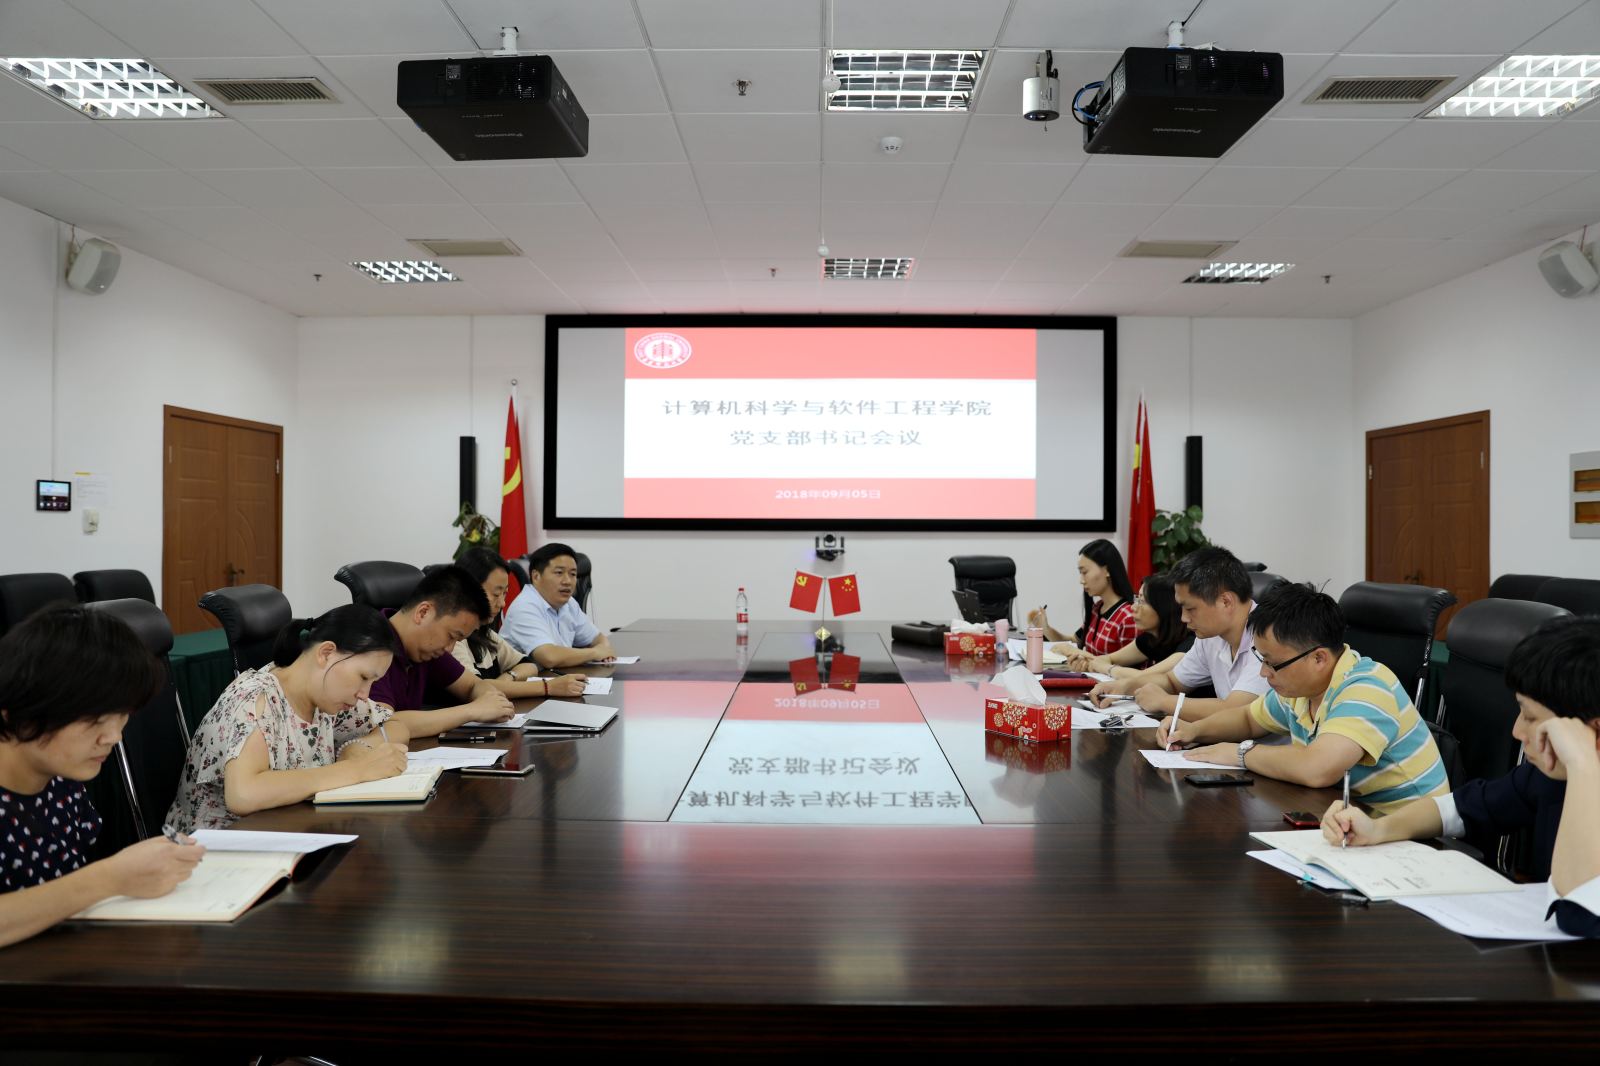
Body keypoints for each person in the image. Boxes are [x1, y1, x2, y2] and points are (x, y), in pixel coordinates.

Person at [1322, 616, 1600, 937]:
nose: (1517, 731)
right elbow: (1456, 809)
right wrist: (1378, 829)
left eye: (1531, 717)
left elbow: (1577, 912)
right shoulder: (1546, 778)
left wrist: (1583, 765)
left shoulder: (1575, 769)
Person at [0, 605, 204, 949]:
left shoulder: (61, 777)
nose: (113, 736)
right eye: (94, 720)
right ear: (20, 710)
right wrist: (109, 878)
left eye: (122, 715)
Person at [1158, 582, 1448, 813]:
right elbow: (1248, 718)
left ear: (1319, 658)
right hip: (1348, 819)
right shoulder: (1301, 690)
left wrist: (1241, 753)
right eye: (1261, 659)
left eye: (1272, 663)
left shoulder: (1367, 687)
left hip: (1409, 834)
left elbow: (1317, 768)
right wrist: (1193, 730)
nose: (1264, 673)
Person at [165, 604, 411, 833]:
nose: (365, 694)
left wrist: (358, 746)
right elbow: (243, 794)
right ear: (326, 653)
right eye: (363, 677)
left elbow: (395, 726)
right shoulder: (257, 698)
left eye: (373, 682)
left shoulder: (325, 698)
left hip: (284, 835)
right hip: (211, 850)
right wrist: (355, 769)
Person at [1088, 546, 1269, 719]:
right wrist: (1123, 686)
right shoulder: (1210, 636)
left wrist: (1165, 702)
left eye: (1190, 609)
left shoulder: (1269, 636)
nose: (1183, 618)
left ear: (1226, 602)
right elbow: (1173, 682)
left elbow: (1237, 711)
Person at [370, 565, 516, 735]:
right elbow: (383, 724)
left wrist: (491, 700)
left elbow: (472, 685)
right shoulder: (371, 646)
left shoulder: (425, 648)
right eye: (451, 636)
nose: (449, 649)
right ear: (423, 613)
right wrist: (472, 711)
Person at [452, 547, 587, 699]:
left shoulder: (485, 633)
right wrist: (547, 687)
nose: (502, 603)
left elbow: (528, 665)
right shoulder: (453, 639)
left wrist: (508, 677)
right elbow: (475, 688)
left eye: (505, 593)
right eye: (496, 594)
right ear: (468, 590)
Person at [500, 542, 619, 668]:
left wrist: (602, 650)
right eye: (559, 573)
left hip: (557, 676)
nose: (567, 581)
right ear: (536, 576)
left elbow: (599, 639)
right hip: (522, 679)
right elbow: (549, 657)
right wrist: (595, 653)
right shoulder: (524, 607)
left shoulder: (569, 604)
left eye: (573, 574)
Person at [1028, 539, 1137, 660]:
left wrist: (1077, 653)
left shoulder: (1128, 617)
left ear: (1107, 570)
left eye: (1084, 572)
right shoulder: (1097, 608)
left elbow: (1129, 667)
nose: (1081, 580)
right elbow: (1074, 642)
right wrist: (1045, 628)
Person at [1069, 571, 1193, 677]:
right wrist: (1086, 662)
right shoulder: (1151, 638)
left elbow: (1144, 677)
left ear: (1164, 608)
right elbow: (1108, 658)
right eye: (1136, 599)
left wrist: (1106, 668)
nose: (1133, 607)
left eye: (1142, 601)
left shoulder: (1190, 644)